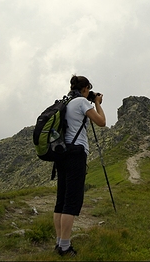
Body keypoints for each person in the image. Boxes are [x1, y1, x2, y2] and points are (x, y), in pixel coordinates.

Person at [53, 75, 106, 256]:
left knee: (61, 200)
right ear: (85, 88)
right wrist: (97, 103)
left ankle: (59, 242)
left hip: (62, 153)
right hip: (76, 153)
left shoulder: (67, 102)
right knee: (72, 201)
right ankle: (66, 247)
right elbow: (101, 122)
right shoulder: (82, 103)